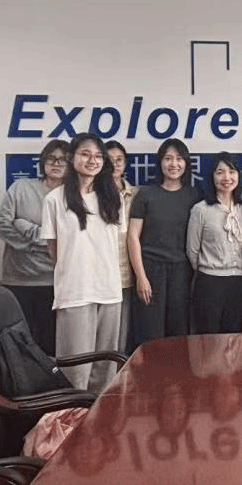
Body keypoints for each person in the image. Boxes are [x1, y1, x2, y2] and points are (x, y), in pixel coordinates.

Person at [40, 133, 122, 392]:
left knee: (105, 368)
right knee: (75, 370)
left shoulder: (113, 196)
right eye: (85, 154)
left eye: (98, 156)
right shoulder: (55, 199)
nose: (92, 160)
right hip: (75, 290)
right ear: (71, 157)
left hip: (109, 289)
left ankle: (101, 413)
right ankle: (74, 414)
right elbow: (53, 248)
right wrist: (74, 270)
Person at [126, 138, 201, 348]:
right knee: (150, 334)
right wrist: (141, 277)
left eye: (179, 159)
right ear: (160, 162)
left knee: (178, 333)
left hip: (182, 272)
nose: (173, 164)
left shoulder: (194, 195)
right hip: (151, 270)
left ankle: (176, 371)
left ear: (186, 163)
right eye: (168, 158)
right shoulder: (146, 194)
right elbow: (133, 236)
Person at [0, 138, 66, 355]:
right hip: (18, 280)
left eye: (63, 159)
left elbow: (70, 239)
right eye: (51, 158)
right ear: (43, 162)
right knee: (18, 347)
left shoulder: (73, 197)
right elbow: (3, 226)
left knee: (51, 347)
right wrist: (45, 242)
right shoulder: (21, 188)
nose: (56, 163)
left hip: (56, 282)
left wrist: (26, 228)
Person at [187, 152, 242, 334]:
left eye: (232, 171)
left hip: (239, 282)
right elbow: (192, 250)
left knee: (233, 340)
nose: (226, 178)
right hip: (209, 282)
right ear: (212, 177)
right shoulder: (201, 210)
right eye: (220, 172)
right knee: (208, 340)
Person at [106, 140, 138, 353]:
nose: (115, 164)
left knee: (122, 333)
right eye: (110, 160)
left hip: (127, 272)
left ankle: (118, 370)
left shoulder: (136, 194)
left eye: (119, 160)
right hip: (100, 274)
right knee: (102, 334)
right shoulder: (91, 194)